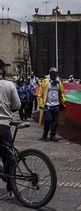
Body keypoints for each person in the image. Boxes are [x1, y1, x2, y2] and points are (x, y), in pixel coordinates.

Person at [0, 59, 21, 193]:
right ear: (2, 70)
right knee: (7, 156)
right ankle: (10, 184)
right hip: (4, 127)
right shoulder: (9, 85)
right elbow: (17, 105)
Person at [38, 67, 66, 142]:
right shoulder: (45, 82)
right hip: (47, 105)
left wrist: (64, 100)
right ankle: (46, 131)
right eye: (53, 74)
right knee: (47, 119)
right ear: (50, 74)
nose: (54, 75)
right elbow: (40, 94)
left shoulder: (59, 82)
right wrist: (41, 104)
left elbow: (62, 93)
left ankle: (52, 135)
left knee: (55, 121)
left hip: (56, 105)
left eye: (56, 74)